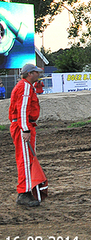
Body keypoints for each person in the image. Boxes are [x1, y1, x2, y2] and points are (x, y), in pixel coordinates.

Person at [9, 63, 44, 207]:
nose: (39, 74)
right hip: (23, 126)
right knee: (25, 159)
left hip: (24, 125)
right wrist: (25, 129)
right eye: (36, 72)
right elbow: (22, 109)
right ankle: (24, 193)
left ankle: (27, 190)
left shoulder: (25, 86)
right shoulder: (25, 87)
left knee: (27, 158)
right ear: (30, 74)